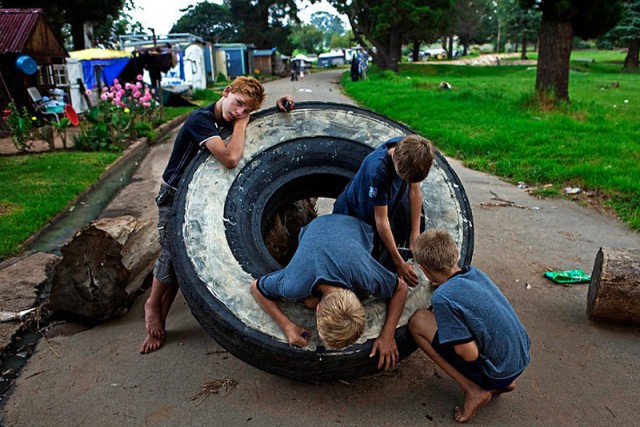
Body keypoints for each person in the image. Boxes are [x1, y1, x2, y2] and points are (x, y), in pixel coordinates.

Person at [140, 76, 295, 354]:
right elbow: (229, 158)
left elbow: (257, 117)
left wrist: (281, 103)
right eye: (237, 104)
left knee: (180, 256)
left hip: (198, 195)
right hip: (174, 195)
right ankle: (152, 304)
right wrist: (242, 124)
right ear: (225, 92)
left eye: (247, 110)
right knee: (171, 252)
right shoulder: (200, 119)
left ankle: (160, 314)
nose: (239, 113)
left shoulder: (229, 115)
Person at [250, 214, 411, 371]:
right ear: (319, 309)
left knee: (308, 300)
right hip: (317, 227)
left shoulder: (365, 276)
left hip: (355, 226)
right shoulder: (294, 284)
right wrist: (287, 325)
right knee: (307, 299)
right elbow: (256, 287)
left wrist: (388, 334)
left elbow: (401, 287)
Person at [408, 229, 531, 423]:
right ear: (455, 253)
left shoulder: (443, 298)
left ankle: (473, 390)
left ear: (423, 270)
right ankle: (505, 383)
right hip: (519, 358)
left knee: (417, 321)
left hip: (497, 372)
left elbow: (469, 354)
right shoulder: (474, 273)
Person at [332, 134, 434, 286]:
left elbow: (415, 191)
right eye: (404, 178)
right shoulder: (377, 172)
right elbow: (381, 220)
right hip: (352, 214)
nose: (407, 182)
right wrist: (399, 262)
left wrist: (415, 233)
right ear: (395, 161)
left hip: (380, 207)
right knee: (352, 261)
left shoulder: (411, 148)